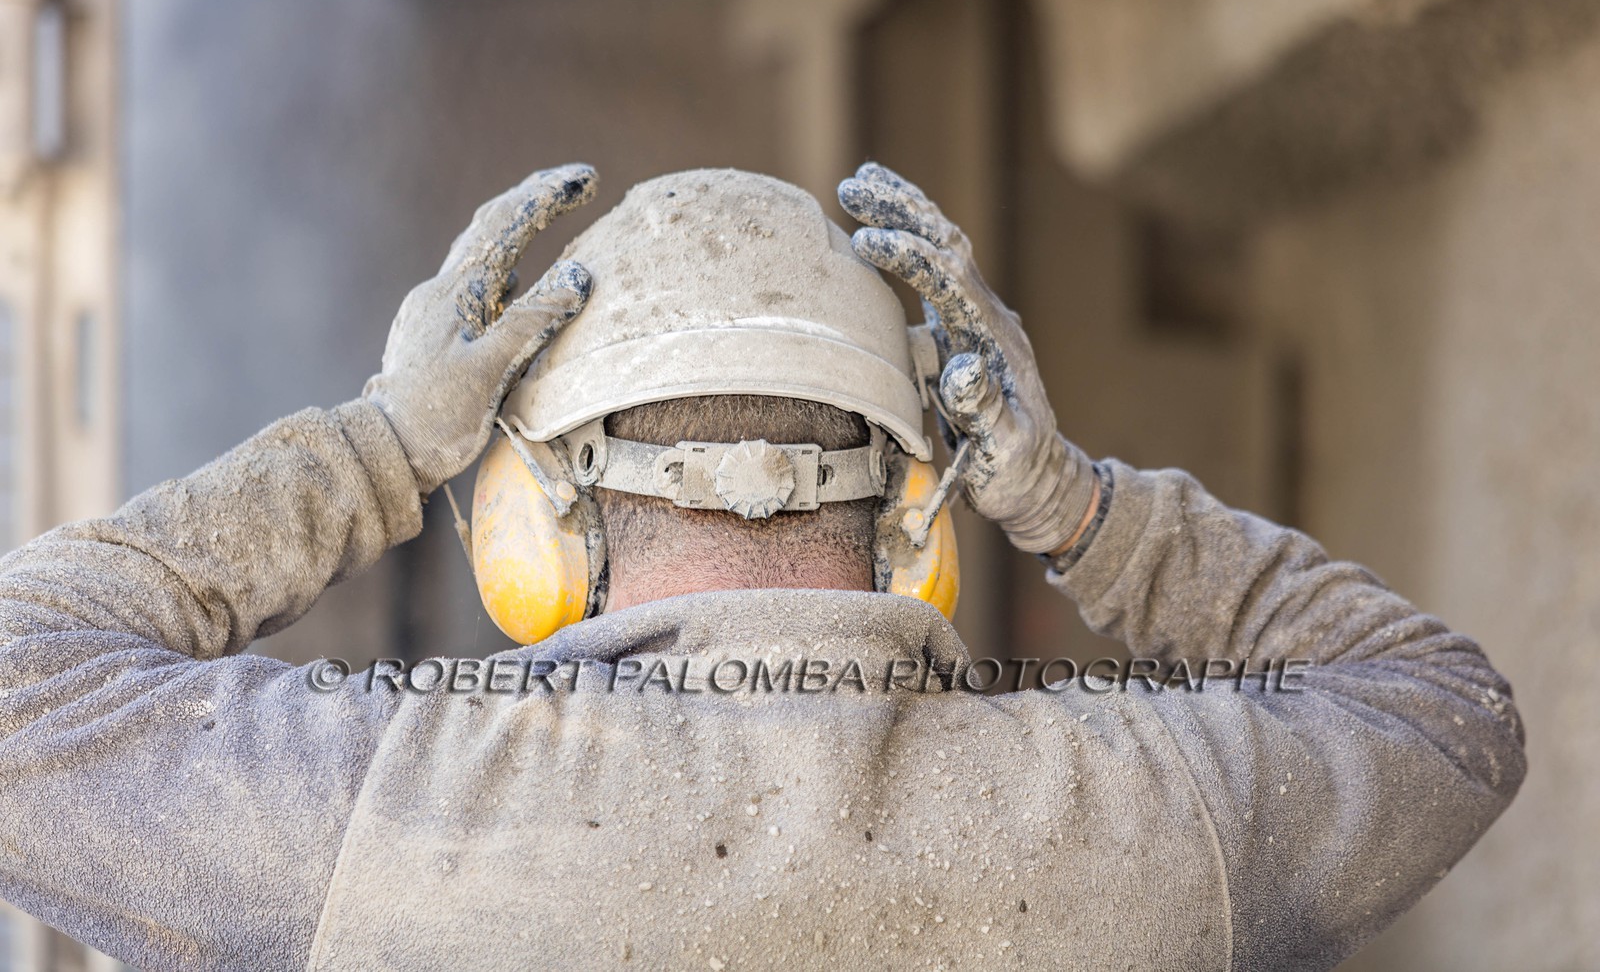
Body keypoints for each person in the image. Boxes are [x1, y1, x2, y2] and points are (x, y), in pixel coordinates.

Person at [0, 162, 1523, 971]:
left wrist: (380, 445)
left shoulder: (382, 816)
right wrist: (1077, 507)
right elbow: (1441, 712)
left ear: (533, 531)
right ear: (921, 516)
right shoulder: (1131, 812)